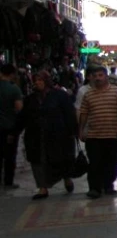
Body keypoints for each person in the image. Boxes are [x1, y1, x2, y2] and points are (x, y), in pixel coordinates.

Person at [77, 65, 117, 198]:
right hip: (94, 135)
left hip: (113, 134)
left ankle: (108, 184)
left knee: (112, 161)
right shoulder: (88, 94)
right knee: (95, 162)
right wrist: (81, 129)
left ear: (106, 77)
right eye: (95, 76)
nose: (97, 78)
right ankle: (94, 188)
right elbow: (84, 113)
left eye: (100, 75)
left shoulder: (116, 92)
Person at [21, 70, 76, 199]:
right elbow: (23, 117)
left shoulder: (59, 95)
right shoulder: (31, 99)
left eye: (40, 80)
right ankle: (42, 188)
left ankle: (66, 178)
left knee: (60, 159)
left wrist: (73, 131)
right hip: (36, 136)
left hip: (57, 135)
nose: (37, 83)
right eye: (35, 80)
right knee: (37, 160)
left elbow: (69, 114)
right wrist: (14, 132)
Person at [0, 63, 24, 189]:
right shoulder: (14, 89)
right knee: (9, 156)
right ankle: (8, 181)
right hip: (9, 128)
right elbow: (19, 108)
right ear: (12, 74)